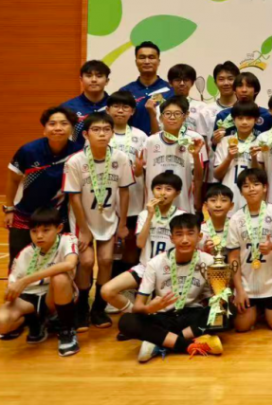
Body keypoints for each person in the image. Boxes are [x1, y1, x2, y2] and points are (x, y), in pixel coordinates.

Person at [117, 214, 222, 363]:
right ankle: (188, 344)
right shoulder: (155, 263)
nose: (185, 240)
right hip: (164, 317)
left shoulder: (209, 261)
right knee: (126, 322)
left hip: (192, 315)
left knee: (227, 311)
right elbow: (138, 306)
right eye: (179, 234)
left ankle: (162, 342)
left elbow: (218, 298)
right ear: (171, 238)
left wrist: (220, 298)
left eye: (190, 234)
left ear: (199, 236)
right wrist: (149, 308)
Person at [64, 112, 135, 330]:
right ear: (86, 134)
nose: (102, 134)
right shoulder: (75, 161)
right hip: (83, 221)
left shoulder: (121, 158)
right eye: (96, 130)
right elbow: (74, 197)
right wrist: (84, 229)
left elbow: (124, 192)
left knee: (106, 260)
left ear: (112, 133)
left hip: (109, 219)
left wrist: (122, 224)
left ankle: (98, 308)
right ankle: (81, 307)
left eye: (106, 129)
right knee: (86, 262)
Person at [100, 172, 186, 315]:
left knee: (164, 311)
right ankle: (136, 314)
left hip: (170, 271)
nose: (162, 193)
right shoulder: (144, 215)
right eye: (158, 188)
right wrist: (150, 215)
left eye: (168, 189)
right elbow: (140, 244)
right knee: (107, 291)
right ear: (152, 191)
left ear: (177, 193)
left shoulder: (182, 217)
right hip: (145, 268)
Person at [5, 106, 81, 268]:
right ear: (44, 129)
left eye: (64, 124)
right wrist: (9, 209)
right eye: (52, 124)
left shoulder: (79, 153)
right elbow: (12, 180)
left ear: (72, 129)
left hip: (59, 218)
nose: (58, 128)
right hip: (25, 216)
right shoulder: (28, 151)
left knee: (58, 266)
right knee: (17, 264)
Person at [0, 208, 80, 356]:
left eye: (46, 230)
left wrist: (26, 280)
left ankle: (66, 330)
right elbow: (13, 286)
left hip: (53, 295)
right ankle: (34, 322)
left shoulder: (67, 239)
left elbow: (69, 264)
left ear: (59, 228)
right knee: (2, 322)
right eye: (34, 231)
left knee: (60, 277)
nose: (39, 236)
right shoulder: (25, 253)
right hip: (29, 299)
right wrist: (10, 293)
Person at [225, 169, 272, 333]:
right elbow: (233, 257)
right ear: (241, 191)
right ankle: (258, 310)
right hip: (247, 286)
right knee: (241, 327)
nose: (252, 189)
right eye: (246, 186)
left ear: (265, 187)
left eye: (256, 184)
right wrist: (239, 290)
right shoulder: (235, 219)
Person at [141, 96, 206, 214]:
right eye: (168, 113)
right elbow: (142, 173)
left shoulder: (195, 139)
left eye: (177, 114)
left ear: (185, 116)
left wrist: (196, 156)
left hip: (183, 201)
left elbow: (198, 176)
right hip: (154, 203)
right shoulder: (150, 141)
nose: (172, 117)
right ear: (161, 117)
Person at [107, 90, 148, 271]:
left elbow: (146, 167)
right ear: (108, 110)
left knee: (131, 241)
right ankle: (110, 280)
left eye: (125, 107)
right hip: (107, 198)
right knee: (109, 245)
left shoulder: (141, 136)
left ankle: (129, 279)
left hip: (134, 198)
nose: (120, 110)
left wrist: (140, 171)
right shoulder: (101, 133)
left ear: (132, 111)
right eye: (116, 106)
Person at [212, 101, 261, 212]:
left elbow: (261, 176)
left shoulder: (260, 142)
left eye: (249, 118)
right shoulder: (224, 142)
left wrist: (254, 158)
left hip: (252, 195)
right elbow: (217, 175)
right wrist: (229, 158)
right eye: (240, 118)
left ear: (256, 120)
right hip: (229, 194)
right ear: (233, 120)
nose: (244, 122)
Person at [119, 41, 172, 136]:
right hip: (133, 142)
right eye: (142, 57)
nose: (147, 61)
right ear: (136, 61)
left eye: (151, 57)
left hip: (164, 142)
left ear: (158, 61)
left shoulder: (170, 90)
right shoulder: (125, 91)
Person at [211, 72, 272, 147]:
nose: (244, 90)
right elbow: (215, 147)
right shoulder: (223, 115)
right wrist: (215, 141)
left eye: (249, 86)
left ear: (256, 90)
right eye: (240, 86)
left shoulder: (268, 115)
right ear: (234, 90)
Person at [201, 61, 240, 182]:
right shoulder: (206, 111)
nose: (226, 83)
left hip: (243, 171)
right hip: (214, 174)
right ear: (215, 82)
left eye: (230, 79)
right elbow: (202, 146)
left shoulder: (248, 109)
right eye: (221, 79)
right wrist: (213, 141)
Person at [62, 59, 111, 146]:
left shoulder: (115, 106)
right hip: (78, 153)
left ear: (107, 81)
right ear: (81, 79)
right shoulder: (67, 108)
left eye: (99, 76)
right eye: (89, 76)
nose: (94, 80)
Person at [165, 64, 211, 138]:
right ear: (170, 83)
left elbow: (204, 136)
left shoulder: (201, 107)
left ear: (192, 83)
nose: (182, 83)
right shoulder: (162, 107)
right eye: (177, 80)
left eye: (186, 80)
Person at [199, 185, 232, 255]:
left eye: (224, 200)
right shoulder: (199, 230)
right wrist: (205, 251)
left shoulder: (236, 226)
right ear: (206, 205)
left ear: (231, 206)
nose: (218, 205)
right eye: (213, 200)